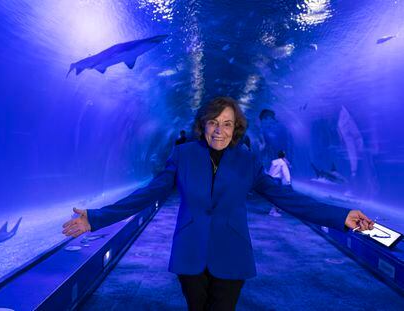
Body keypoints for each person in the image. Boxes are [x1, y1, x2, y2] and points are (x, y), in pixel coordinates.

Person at [62, 97, 374, 311]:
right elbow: (150, 192)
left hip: (232, 254)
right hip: (191, 252)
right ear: (203, 125)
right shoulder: (183, 155)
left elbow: (288, 198)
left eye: (227, 123)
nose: (219, 130)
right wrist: (96, 218)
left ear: (236, 127)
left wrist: (341, 215)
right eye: (213, 122)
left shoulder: (247, 160)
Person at [267, 150, 291, 217]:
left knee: (275, 195)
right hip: (277, 180)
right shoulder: (283, 163)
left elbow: (271, 171)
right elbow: (285, 172)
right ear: (284, 155)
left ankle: (276, 208)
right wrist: (288, 181)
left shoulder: (274, 161)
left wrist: (269, 177)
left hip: (272, 179)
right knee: (277, 196)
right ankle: (273, 211)